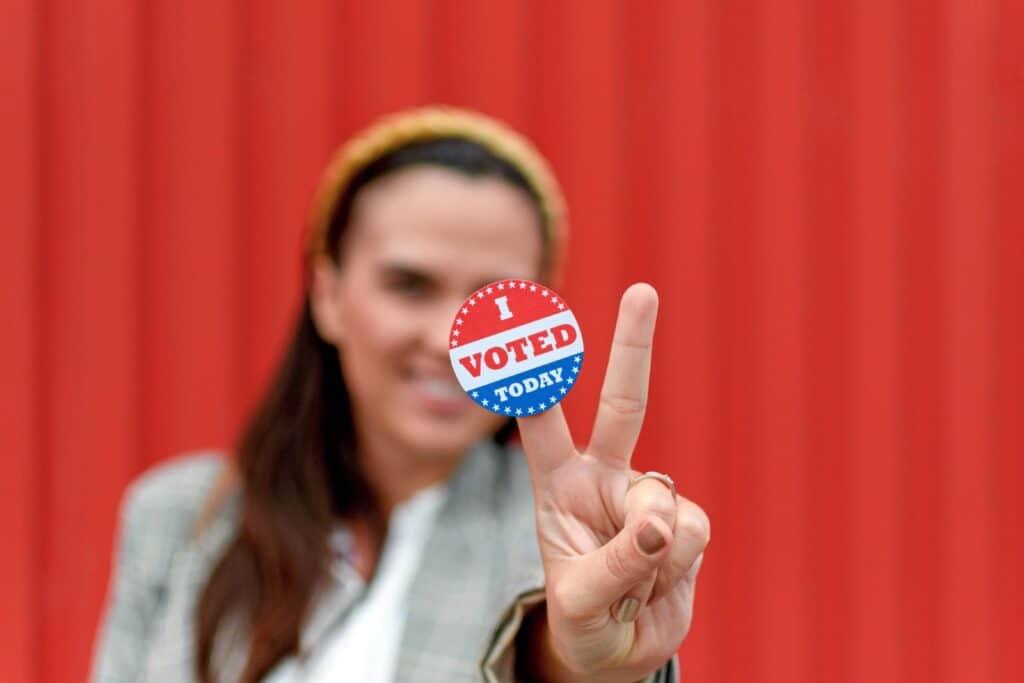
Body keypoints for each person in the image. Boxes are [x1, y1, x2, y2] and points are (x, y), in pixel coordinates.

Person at [90, 107, 710, 683]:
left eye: (490, 301)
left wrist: (582, 664)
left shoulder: (564, 535)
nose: (449, 339)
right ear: (328, 294)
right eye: (409, 285)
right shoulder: (176, 516)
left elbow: (552, 645)